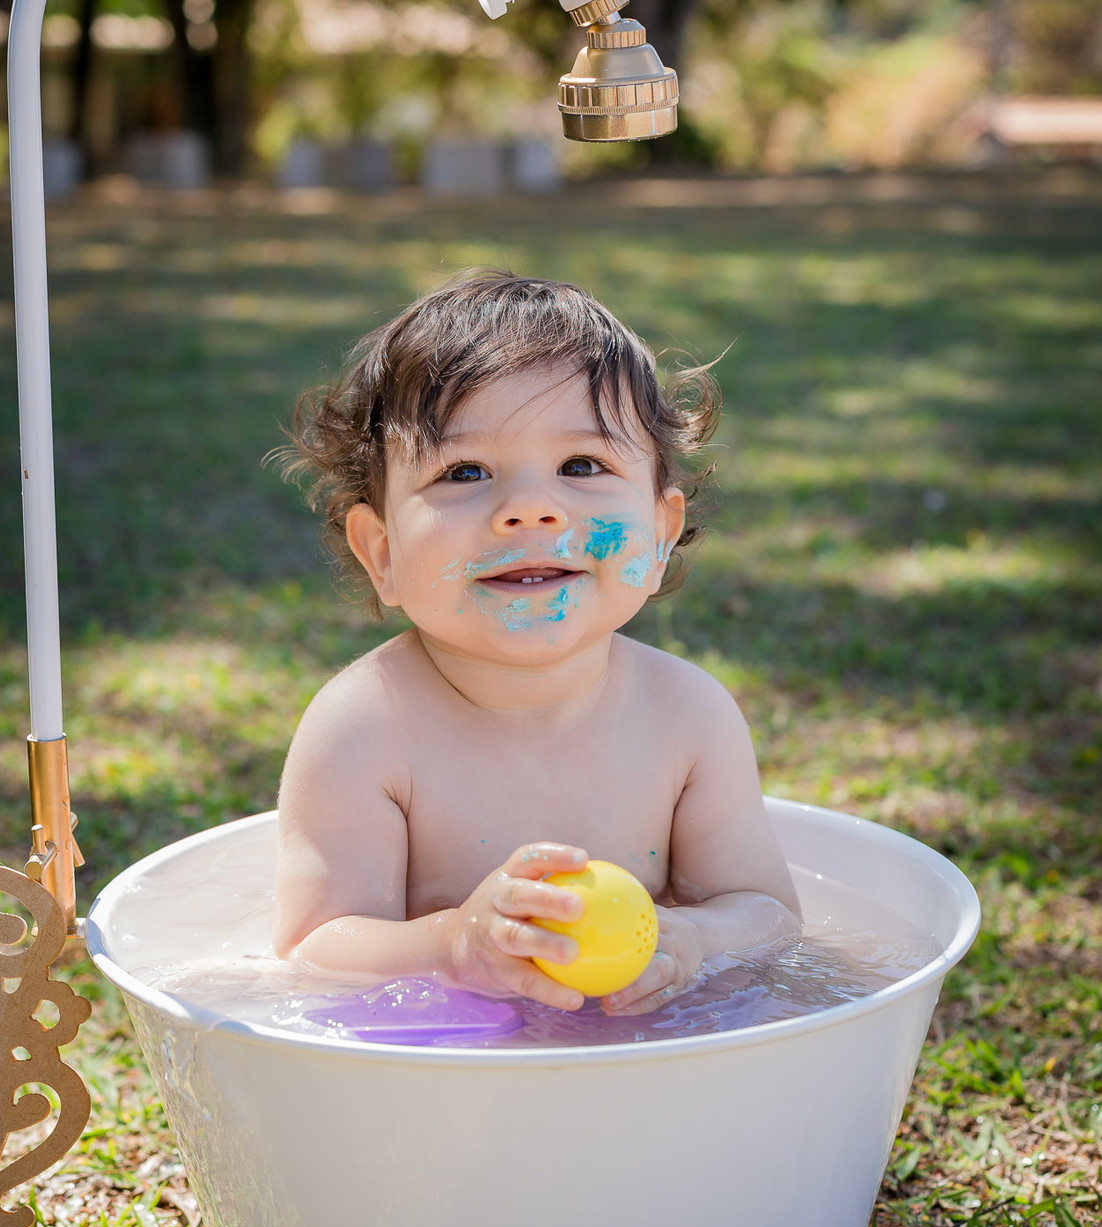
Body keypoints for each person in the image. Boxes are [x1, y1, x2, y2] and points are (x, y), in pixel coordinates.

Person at [273, 272, 800, 1016]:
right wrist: (452, 947)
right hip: (438, 1069)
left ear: (658, 533)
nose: (527, 509)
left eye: (580, 466)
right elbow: (312, 950)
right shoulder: (364, 729)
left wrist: (692, 938)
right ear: (381, 550)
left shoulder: (686, 717)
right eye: (464, 472)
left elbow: (769, 916)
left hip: (640, 1058)